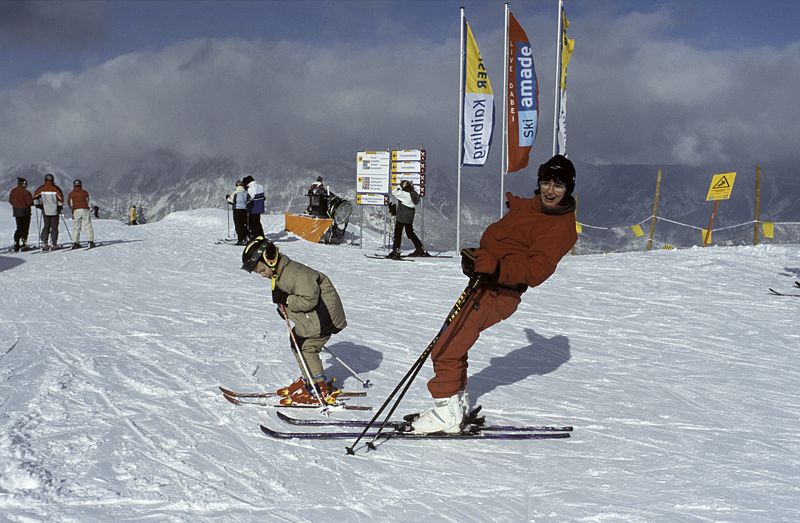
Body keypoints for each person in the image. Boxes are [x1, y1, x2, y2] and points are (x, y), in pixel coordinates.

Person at [411, 154, 578, 434]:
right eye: (546, 182)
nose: (551, 190)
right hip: (485, 285)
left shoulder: (559, 226)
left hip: (499, 293)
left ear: (568, 188)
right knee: (452, 344)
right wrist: (479, 258)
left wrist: (497, 268)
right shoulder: (531, 208)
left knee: (447, 348)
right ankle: (453, 404)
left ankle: (445, 413)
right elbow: (509, 243)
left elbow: (536, 270)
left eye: (558, 185)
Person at [241, 236, 348, 405]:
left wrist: (286, 300)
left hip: (324, 317)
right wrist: (283, 307)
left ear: (270, 259)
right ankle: (309, 379)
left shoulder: (294, 274)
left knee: (307, 348)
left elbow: (309, 300)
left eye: (261, 270)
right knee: (296, 342)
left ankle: (318, 387)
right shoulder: (280, 274)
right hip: (314, 318)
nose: (262, 275)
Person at [388, 179, 429, 258]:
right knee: (410, 233)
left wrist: (399, 186)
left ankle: (396, 250)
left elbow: (393, 192)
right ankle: (419, 248)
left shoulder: (404, 194)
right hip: (409, 217)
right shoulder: (413, 193)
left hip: (402, 217)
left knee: (397, 234)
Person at [32, 173, 64, 251]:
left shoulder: (41, 188)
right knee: (54, 227)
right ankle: (54, 244)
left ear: (45, 180)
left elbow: (35, 197)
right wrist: (59, 207)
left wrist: (38, 205)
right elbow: (61, 199)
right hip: (54, 211)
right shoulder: (56, 189)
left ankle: (45, 242)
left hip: (45, 211)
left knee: (46, 226)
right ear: (52, 180)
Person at [68, 180, 95, 249]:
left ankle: (75, 242)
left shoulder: (71, 194)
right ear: (81, 185)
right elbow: (87, 201)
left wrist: (73, 210)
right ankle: (90, 242)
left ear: (74, 185)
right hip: (85, 209)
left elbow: (70, 203)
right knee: (88, 225)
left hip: (76, 210)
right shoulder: (84, 192)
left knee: (76, 226)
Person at [8, 177, 34, 252]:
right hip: (25, 212)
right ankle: (24, 242)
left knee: (19, 227)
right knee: (25, 228)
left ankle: (16, 241)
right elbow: (29, 202)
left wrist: (16, 205)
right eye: (25, 183)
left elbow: (11, 201)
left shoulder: (13, 191)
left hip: (16, 211)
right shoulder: (26, 192)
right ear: (23, 184)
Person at [226, 180, 251, 245]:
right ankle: (246, 238)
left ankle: (240, 239)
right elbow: (249, 200)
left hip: (237, 210)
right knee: (244, 225)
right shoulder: (246, 193)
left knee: (238, 225)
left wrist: (227, 197)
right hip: (244, 210)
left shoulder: (235, 193)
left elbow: (231, 201)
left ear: (236, 185)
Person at [241, 175, 265, 239]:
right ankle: (261, 236)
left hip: (253, 208)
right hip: (260, 208)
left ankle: (256, 236)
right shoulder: (260, 186)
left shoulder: (250, 188)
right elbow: (263, 197)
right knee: (257, 222)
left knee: (253, 223)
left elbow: (249, 199)